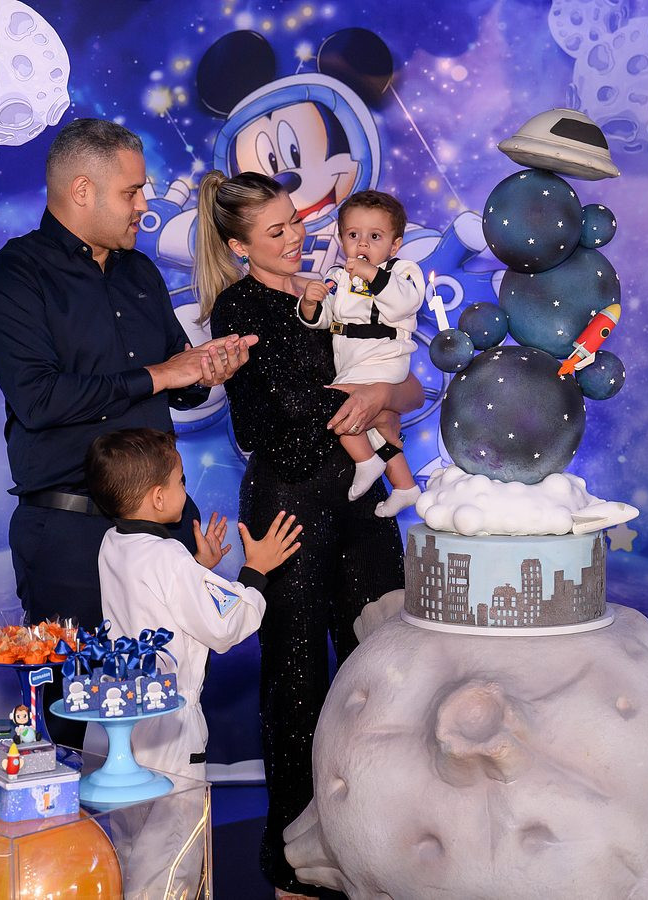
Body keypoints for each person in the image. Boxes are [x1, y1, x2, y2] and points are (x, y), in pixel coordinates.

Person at [0, 119, 255, 746]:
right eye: (131, 192)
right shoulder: (14, 276)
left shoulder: (139, 272)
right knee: (77, 719)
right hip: (69, 536)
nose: (144, 205)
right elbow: (40, 399)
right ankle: (78, 816)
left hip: (165, 529)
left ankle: (170, 815)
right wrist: (161, 374)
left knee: (175, 704)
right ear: (82, 190)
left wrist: (205, 371)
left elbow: (176, 380)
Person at [193, 170, 420, 899]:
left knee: (382, 663)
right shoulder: (240, 305)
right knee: (297, 679)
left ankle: (380, 841)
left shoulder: (341, 285)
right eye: (277, 230)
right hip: (290, 501)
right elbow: (291, 403)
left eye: (296, 219)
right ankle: (294, 859)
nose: (296, 235)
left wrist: (383, 390)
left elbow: (410, 383)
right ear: (239, 246)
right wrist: (368, 395)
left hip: (361, 498)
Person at [85, 427, 301, 899]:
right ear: (159, 497)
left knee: (126, 848)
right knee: (171, 857)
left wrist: (199, 572)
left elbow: (158, 608)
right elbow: (224, 626)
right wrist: (255, 571)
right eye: (181, 481)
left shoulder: (111, 544)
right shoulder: (168, 556)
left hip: (120, 719)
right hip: (168, 730)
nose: (186, 490)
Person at [297, 190, 425, 517]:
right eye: (354, 235)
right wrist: (311, 304)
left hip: (384, 359)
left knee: (336, 403)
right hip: (353, 363)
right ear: (341, 239)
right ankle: (405, 486)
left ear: (394, 245)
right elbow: (327, 319)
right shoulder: (339, 277)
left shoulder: (402, 272)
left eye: (375, 237)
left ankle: (366, 462)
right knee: (373, 426)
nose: (363, 244)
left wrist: (371, 274)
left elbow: (405, 302)